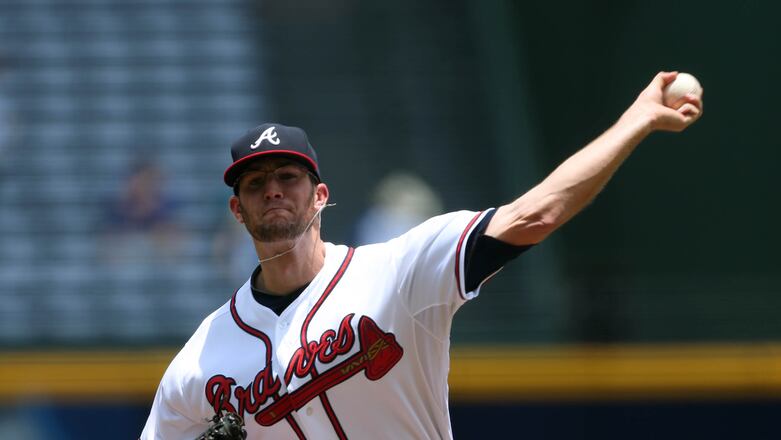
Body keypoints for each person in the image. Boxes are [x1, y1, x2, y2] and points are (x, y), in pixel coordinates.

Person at [140, 72, 702, 439]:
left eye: (288, 176)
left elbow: (535, 215)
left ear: (321, 196)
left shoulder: (400, 272)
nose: (273, 191)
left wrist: (635, 122)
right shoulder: (201, 361)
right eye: (255, 183)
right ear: (237, 210)